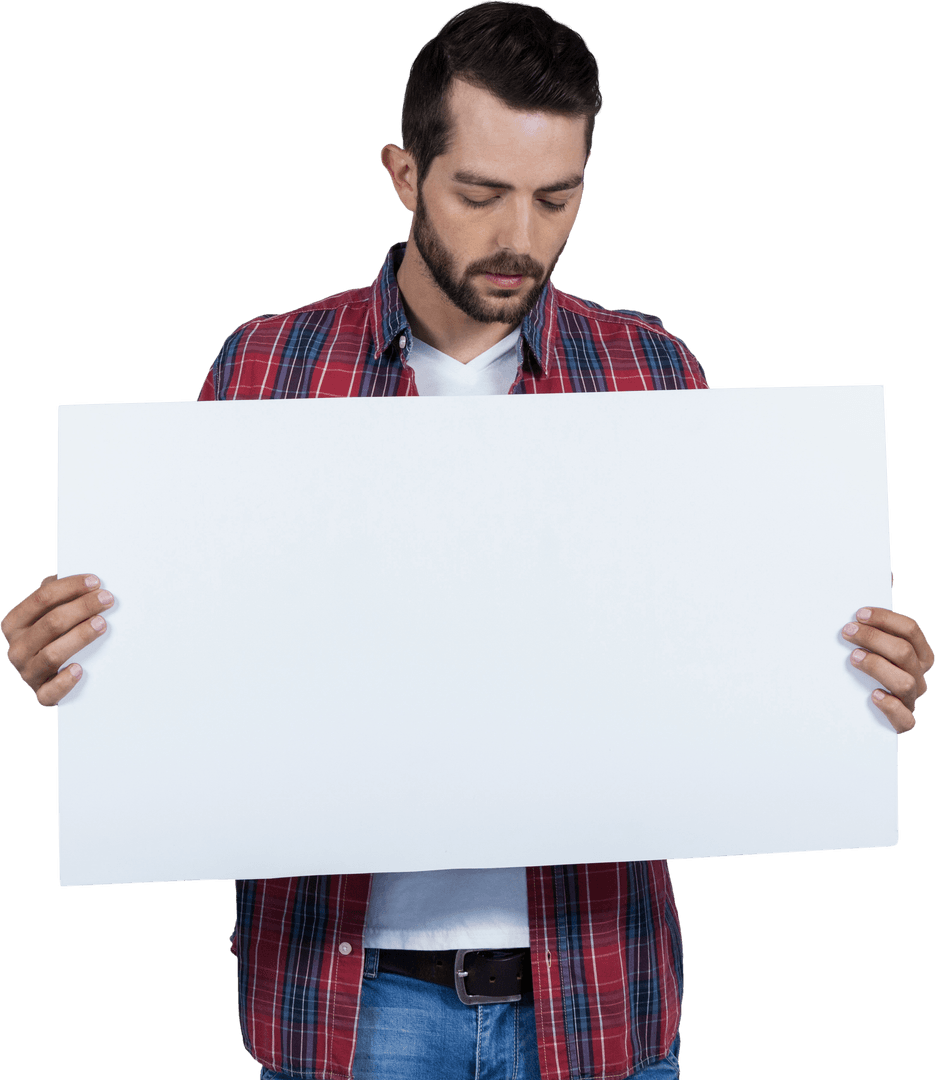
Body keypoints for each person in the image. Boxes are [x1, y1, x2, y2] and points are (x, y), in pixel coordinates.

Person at [2, 3, 931, 1079]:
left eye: (555, 198)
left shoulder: (647, 369)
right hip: (348, 1003)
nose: (518, 240)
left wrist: (845, 674)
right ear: (404, 174)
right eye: (480, 194)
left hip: (593, 997)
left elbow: (705, 654)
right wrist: (86, 658)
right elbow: (211, 652)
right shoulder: (266, 367)